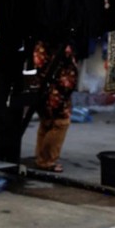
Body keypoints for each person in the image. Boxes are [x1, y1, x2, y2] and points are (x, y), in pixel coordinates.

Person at [33, 40, 78, 173]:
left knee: (47, 121)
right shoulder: (53, 43)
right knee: (60, 122)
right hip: (56, 88)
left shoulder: (43, 43)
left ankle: (42, 157)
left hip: (52, 86)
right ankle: (46, 160)